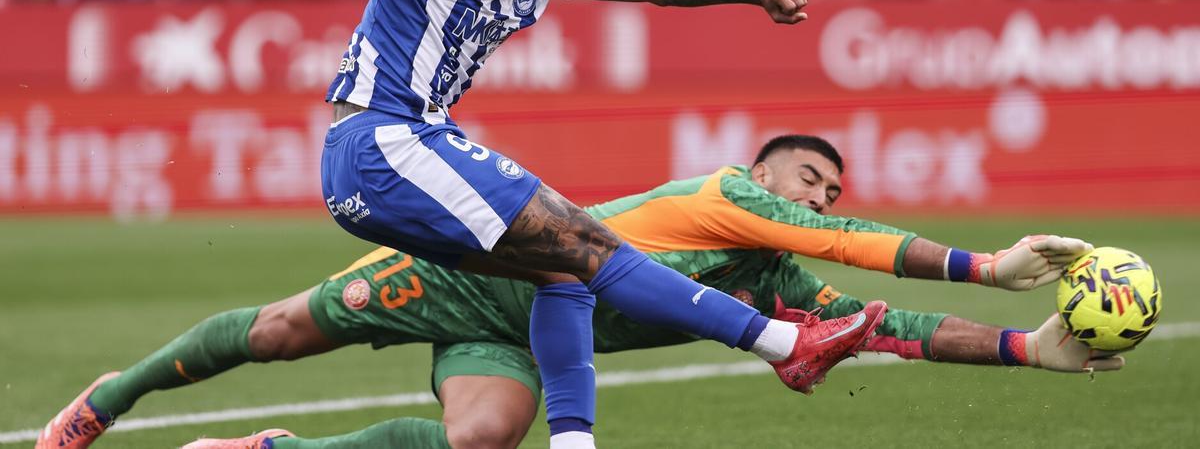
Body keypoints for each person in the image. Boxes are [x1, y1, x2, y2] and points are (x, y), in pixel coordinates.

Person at [260, 0, 883, 449]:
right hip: (382, 140)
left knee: (562, 274)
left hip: (398, 156)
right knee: (584, 237)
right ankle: (783, 345)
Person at [38, 135, 1108, 449]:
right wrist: (992, 266)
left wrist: (1029, 348)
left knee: (479, 443)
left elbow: (901, 329)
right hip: (471, 273)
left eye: (834, 189)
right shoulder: (728, 194)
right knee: (275, 331)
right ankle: (109, 399)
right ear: (767, 172)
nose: (822, 197)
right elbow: (873, 251)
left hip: (522, 333)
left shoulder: (777, 280)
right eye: (810, 180)